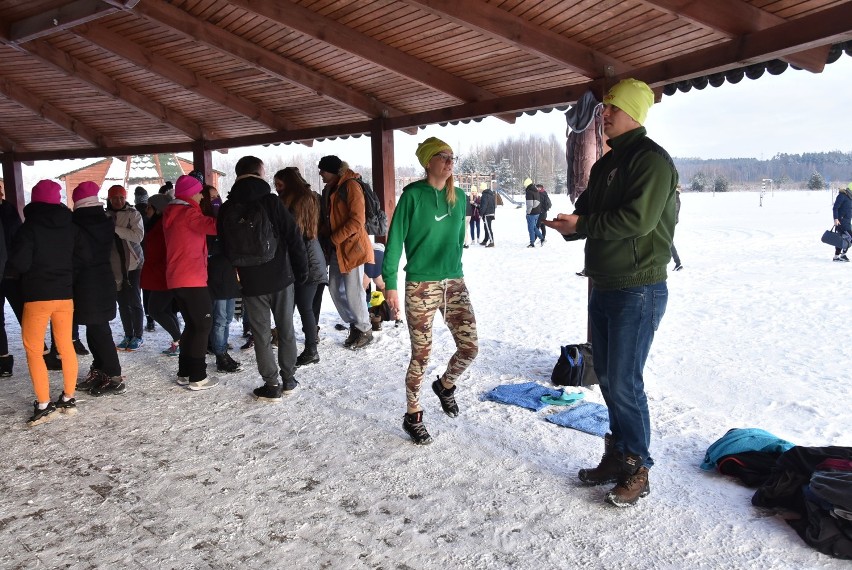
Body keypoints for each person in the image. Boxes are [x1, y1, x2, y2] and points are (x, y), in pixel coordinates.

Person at [543, 78, 677, 507]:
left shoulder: (651, 161)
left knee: (624, 380)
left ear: (634, 114)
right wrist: (569, 224)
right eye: (603, 110)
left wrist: (582, 225)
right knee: (610, 380)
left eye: (611, 110)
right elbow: (590, 215)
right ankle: (617, 456)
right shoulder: (606, 164)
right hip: (605, 284)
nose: (604, 116)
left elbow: (636, 221)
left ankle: (638, 467)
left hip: (639, 288)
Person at [382, 137, 479, 445]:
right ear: (428, 162)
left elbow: (459, 239)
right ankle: (413, 415)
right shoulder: (412, 195)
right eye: (442, 156)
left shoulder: (459, 197)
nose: (450, 162)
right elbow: (395, 241)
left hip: (453, 282)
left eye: (452, 157)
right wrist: (391, 285)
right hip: (420, 285)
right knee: (421, 355)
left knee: (470, 347)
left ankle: (446, 386)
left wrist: (452, 273)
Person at [218, 156, 308, 402]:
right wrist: (301, 272)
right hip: (281, 277)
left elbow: (225, 248)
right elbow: (294, 237)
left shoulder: (227, 207)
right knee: (286, 329)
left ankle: (271, 384)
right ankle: (289, 379)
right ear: (259, 172)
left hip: (251, 281)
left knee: (260, 334)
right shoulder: (271, 202)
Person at [8, 180, 79, 426]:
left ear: (35, 201)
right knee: (65, 346)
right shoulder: (70, 225)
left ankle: (43, 403)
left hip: (37, 295)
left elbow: (20, 263)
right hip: (65, 295)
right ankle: (69, 398)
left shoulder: (30, 228)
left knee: (34, 349)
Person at [162, 175, 218, 390]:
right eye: (198, 192)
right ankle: (198, 376)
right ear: (190, 193)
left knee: (193, 325)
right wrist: (219, 207)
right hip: (191, 277)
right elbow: (213, 227)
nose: (200, 195)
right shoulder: (187, 213)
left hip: (178, 277)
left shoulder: (172, 211)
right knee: (203, 325)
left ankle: (185, 372)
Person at [70, 182, 125, 396]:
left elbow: (78, 255)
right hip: (103, 279)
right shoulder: (105, 220)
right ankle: (101, 369)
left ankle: (114, 376)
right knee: (96, 328)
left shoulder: (76, 224)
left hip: (86, 283)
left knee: (99, 330)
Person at [317, 155, 374, 349]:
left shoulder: (350, 186)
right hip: (337, 247)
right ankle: (356, 323)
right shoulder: (330, 189)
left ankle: (364, 328)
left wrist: (333, 238)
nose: (320, 174)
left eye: (323, 170)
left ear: (333, 171)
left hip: (352, 247)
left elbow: (357, 220)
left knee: (353, 291)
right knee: (334, 288)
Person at [274, 167, 327, 366]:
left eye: (280, 185)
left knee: (305, 308)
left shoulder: (298, 201)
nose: (277, 189)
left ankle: (311, 350)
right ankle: (307, 347)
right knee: (307, 308)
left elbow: (295, 232)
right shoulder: (308, 198)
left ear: (289, 183)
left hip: (306, 260)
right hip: (313, 257)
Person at [201, 184, 242, 373]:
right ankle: (219, 354)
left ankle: (222, 350)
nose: (217, 200)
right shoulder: (204, 221)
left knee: (226, 318)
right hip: (215, 273)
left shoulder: (224, 219)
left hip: (228, 272)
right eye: (212, 197)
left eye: (218, 196)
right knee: (219, 318)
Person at [140, 193, 182, 356]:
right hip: (158, 273)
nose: (146, 209)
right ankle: (178, 342)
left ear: (158, 209)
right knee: (165, 310)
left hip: (163, 274)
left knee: (155, 310)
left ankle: (180, 339)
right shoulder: (155, 223)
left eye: (149, 206)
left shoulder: (162, 225)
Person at [106, 185, 145, 351]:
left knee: (135, 301)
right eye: (114, 198)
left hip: (133, 265)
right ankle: (128, 334)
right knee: (122, 303)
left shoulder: (133, 214)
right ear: (109, 199)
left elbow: (138, 236)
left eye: (121, 197)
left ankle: (138, 336)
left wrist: (114, 229)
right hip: (114, 267)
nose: (118, 201)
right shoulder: (105, 215)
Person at [0, 181, 22, 377]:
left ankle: (43, 353)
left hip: (11, 273)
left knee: (25, 314)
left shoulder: (8, 211)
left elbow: (18, 239)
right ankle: (3, 360)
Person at [832, 183, 852, 262]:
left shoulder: (850, 198)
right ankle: (842, 255)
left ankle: (837, 257)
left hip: (847, 222)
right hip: (841, 222)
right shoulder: (842, 196)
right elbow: (835, 208)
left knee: (842, 239)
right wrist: (836, 219)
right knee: (848, 238)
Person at [524, 180, 544, 247]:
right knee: (534, 227)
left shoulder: (529, 192)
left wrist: (528, 213)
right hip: (537, 212)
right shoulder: (536, 190)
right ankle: (542, 238)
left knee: (531, 228)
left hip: (532, 213)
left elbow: (530, 205)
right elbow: (537, 202)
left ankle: (532, 243)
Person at [671, 185, 684, 270]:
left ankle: (678, 263)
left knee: (669, 242)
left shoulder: (674, 198)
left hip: (669, 222)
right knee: (669, 242)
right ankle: (677, 263)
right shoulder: (676, 198)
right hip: (672, 222)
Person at [479, 182, 496, 247]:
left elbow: (484, 205)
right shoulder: (491, 195)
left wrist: (481, 214)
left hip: (487, 214)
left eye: (480, 189)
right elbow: (494, 205)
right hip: (491, 213)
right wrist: (494, 213)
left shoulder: (484, 195)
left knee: (488, 228)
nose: (480, 190)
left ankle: (492, 242)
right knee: (486, 227)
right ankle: (485, 240)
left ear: (482, 188)